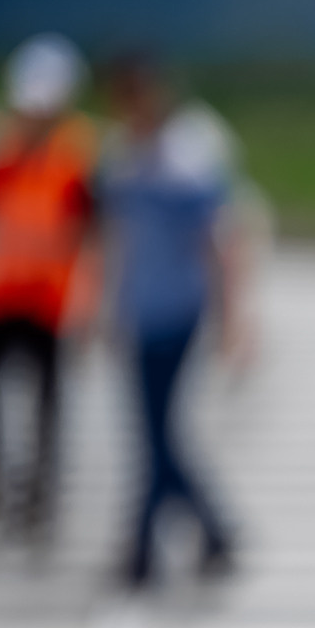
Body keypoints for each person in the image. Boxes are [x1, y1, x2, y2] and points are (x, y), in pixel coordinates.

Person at [96, 54, 246, 586]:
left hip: (181, 308)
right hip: (139, 306)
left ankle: (142, 550)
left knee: (155, 434)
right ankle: (212, 532)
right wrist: (105, 306)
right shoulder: (118, 155)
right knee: (156, 434)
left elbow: (221, 241)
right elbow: (115, 241)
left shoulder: (189, 153)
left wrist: (233, 319)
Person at [0, 34, 98, 535]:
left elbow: (94, 228)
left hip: (48, 296)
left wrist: (91, 304)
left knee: (46, 401)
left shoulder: (77, 151)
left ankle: (39, 495)